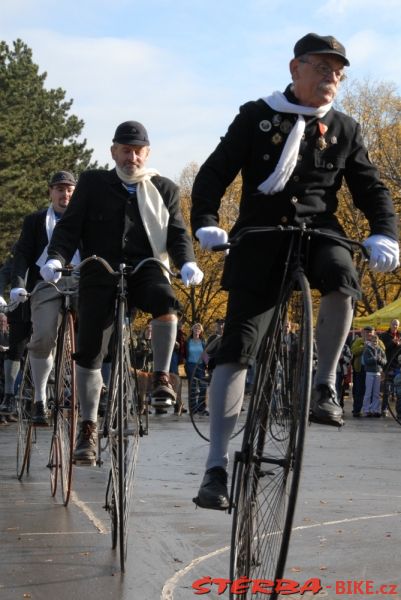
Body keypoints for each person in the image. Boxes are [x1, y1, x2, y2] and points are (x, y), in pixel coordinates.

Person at [190, 33, 399, 509]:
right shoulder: (256, 115)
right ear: (295, 68)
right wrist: (205, 221)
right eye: (323, 68)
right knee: (238, 348)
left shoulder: (344, 128)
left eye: (339, 73)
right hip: (261, 233)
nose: (333, 78)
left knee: (344, 276)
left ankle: (322, 383)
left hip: (318, 232)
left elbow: (371, 189)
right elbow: (214, 172)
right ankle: (216, 467)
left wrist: (384, 231)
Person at [40, 120, 203, 463]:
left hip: (146, 269)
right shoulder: (94, 183)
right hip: (101, 272)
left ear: (148, 153)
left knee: (166, 299)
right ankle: (88, 427)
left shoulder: (165, 188)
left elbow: (177, 234)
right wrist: (55, 258)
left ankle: (161, 377)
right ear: (113, 151)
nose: (132, 157)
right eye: (125, 150)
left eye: (137, 151)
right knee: (89, 348)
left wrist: (187, 262)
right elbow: (70, 228)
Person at [2, 171, 79, 426]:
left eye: (69, 189)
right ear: (50, 192)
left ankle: (99, 392)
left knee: (100, 331)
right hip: (46, 285)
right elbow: (22, 255)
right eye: (59, 189)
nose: (64, 194)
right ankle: (39, 398)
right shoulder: (36, 221)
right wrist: (18, 285)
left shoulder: (87, 220)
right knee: (42, 336)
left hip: (81, 282)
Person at [379, 319, 401, 416]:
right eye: (393, 324)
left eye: (396, 325)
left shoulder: (400, 335)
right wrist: (393, 343)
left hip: (398, 366)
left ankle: (399, 412)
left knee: (398, 391)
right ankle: (384, 409)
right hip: (387, 365)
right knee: (386, 390)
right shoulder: (384, 336)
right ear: (390, 324)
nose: (395, 326)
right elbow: (382, 349)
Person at [361, 334, 386, 417]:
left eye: (376, 341)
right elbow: (366, 361)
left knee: (376, 393)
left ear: (378, 342)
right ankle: (366, 410)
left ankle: (375, 409)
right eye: (373, 341)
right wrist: (374, 358)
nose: (375, 343)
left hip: (378, 373)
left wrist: (379, 359)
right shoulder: (367, 350)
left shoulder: (380, 350)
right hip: (369, 372)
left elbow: (385, 361)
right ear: (370, 342)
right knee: (368, 392)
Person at [185, 322, 208, 414]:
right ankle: (193, 409)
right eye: (195, 328)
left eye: (198, 329)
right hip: (190, 365)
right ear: (192, 330)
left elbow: (205, 354)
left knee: (203, 387)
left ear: (201, 331)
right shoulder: (188, 342)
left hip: (201, 366)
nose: (197, 330)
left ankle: (201, 408)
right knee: (193, 388)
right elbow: (184, 354)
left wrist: (208, 364)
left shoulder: (203, 342)